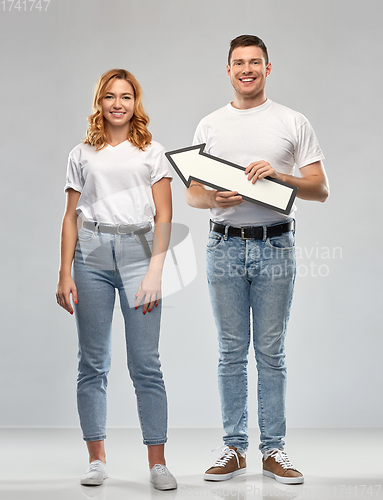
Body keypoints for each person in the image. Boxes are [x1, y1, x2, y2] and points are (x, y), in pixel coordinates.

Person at [185, 35, 329, 485]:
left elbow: (320, 189)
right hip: (224, 245)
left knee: (270, 352)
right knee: (230, 352)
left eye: (255, 62)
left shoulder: (292, 121)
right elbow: (191, 192)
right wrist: (213, 198)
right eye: (238, 63)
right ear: (227, 70)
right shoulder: (209, 125)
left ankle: (274, 450)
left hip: (275, 246)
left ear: (268, 68)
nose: (246, 69)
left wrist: (279, 175)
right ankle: (233, 448)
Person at [56, 69, 177, 491]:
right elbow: (70, 216)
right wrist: (64, 272)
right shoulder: (82, 152)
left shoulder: (152, 152)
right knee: (93, 363)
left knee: (146, 364)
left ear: (135, 102)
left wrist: (156, 272)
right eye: (110, 96)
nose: (118, 103)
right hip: (90, 253)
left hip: (140, 252)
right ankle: (96, 459)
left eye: (126, 96)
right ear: (100, 102)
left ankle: (158, 462)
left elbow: (164, 215)